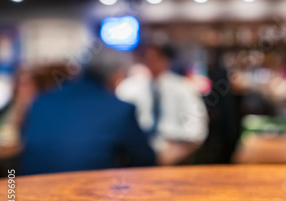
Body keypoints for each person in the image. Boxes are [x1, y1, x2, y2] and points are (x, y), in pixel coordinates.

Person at [21, 48, 156, 175]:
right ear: (117, 74)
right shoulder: (119, 109)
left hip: (29, 190)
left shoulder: (41, 101)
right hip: (88, 193)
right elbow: (145, 161)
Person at [116, 44, 208, 165]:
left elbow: (197, 128)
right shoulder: (129, 88)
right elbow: (119, 124)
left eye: (155, 59)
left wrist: (179, 151)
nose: (151, 63)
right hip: (138, 152)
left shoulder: (183, 88)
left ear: (165, 60)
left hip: (174, 149)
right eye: (147, 59)